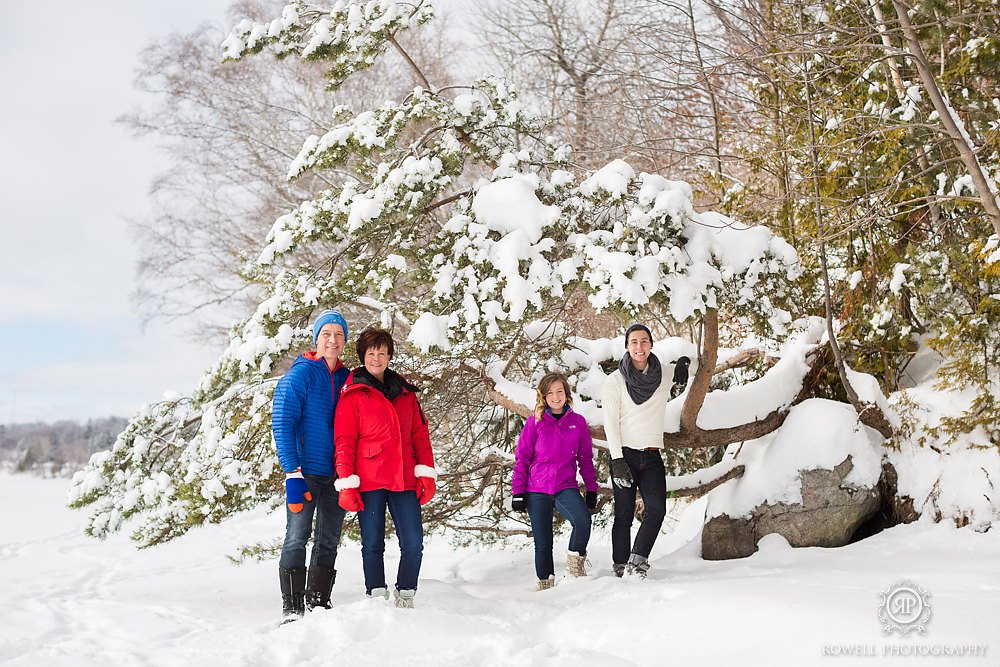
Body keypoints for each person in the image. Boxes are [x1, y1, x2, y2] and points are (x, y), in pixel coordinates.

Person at [334, 327, 436, 609]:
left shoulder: (405, 394)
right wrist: (346, 481)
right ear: (362, 356)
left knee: (414, 543)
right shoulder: (353, 395)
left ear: (389, 356)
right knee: (373, 544)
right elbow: (344, 441)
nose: (376, 358)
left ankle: (406, 594)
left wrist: (426, 472)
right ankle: (376, 596)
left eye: (382, 352)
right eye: (371, 353)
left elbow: (420, 436)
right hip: (368, 480)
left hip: (404, 478)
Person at [272, 309, 351, 622]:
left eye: (339, 334)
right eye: (326, 334)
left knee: (329, 538)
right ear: (316, 338)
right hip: (304, 474)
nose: (332, 340)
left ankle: (319, 604)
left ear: (344, 340)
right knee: (297, 536)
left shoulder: (347, 378)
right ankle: (292, 609)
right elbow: (282, 423)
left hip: (337, 475)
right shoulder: (300, 375)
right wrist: (292, 473)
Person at [511, 372, 599, 590]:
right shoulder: (535, 423)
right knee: (543, 544)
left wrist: (591, 488)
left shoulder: (577, 423)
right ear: (543, 396)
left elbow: (585, 459)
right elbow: (522, 458)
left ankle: (575, 565)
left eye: (559, 391)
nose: (556, 396)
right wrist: (518, 492)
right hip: (536, 489)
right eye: (550, 392)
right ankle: (545, 586)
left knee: (583, 520)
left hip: (564, 486)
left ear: (566, 394)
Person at [602, 323, 672, 578]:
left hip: (652, 455)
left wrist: (686, 364)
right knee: (624, 513)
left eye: (644, 341)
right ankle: (620, 564)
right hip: (625, 456)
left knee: (657, 509)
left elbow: (697, 365)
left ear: (651, 345)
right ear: (626, 346)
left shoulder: (663, 374)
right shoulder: (615, 381)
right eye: (634, 342)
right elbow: (610, 422)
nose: (639, 347)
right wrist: (617, 459)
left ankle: (637, 560)